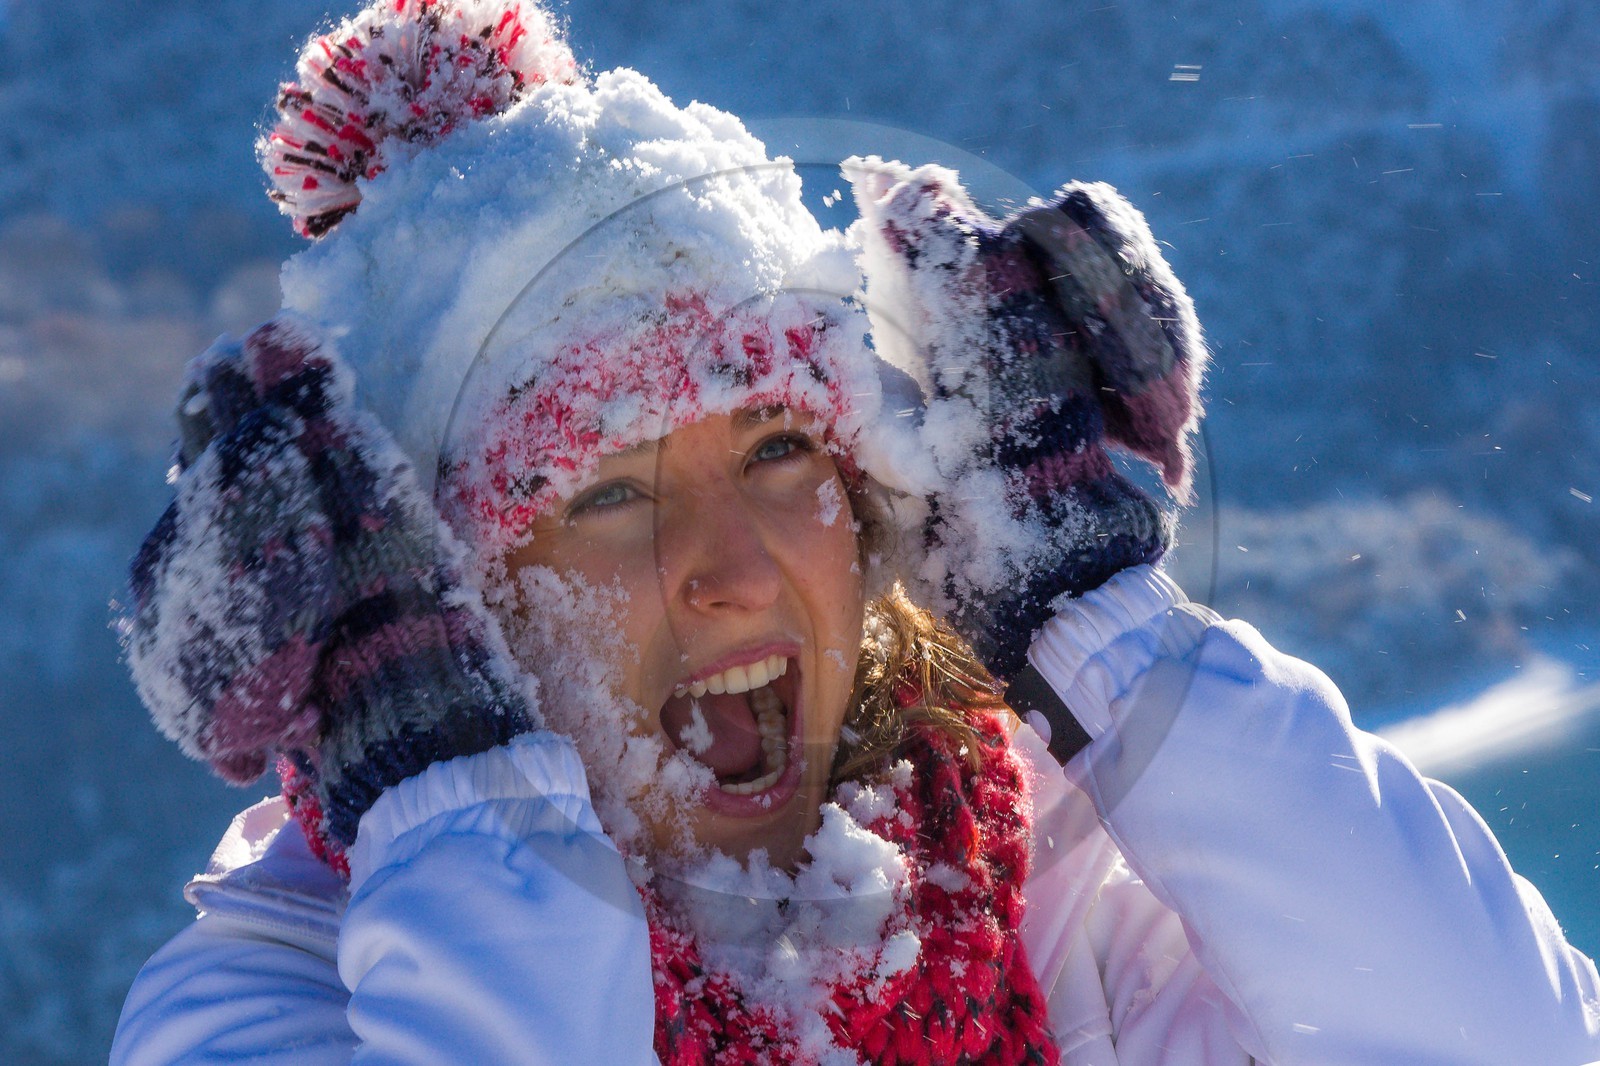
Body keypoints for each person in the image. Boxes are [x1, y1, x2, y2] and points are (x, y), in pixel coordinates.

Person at [111, 1, 1600, 1063]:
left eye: (778, 448)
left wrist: (1099, 623)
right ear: (433, 599)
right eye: (607, 492)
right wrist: (468, 817)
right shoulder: (276, 993)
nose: (741, 563)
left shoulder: (1027, 882)